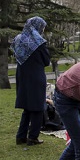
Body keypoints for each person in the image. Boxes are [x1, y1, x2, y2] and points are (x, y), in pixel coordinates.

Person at [13, 16, 51, 146]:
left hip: (22, 76)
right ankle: (33, 137)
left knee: (27, 108)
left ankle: (21, 136)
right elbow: (46, 61)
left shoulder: (18, 39)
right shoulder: (38, 41)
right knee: (38, 107)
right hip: (35, 76)